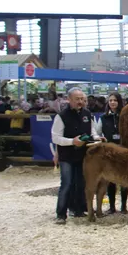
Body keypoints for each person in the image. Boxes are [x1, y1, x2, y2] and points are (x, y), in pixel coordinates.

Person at [51, 88, 102, 224]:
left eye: (82, 99)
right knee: (66, 183)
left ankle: (78, 209)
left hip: (83, 155)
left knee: (81, 183)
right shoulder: (61, 116)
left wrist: (98, 138)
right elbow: (56, 138)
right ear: (69, 100)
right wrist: (71, 141)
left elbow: (92, 131)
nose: (80, 102)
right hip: (66, 156)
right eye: (77, 99)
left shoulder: (87, 114)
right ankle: (61, 214)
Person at [96, 92, 128, 214]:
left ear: (119, 102)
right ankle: (112, 207)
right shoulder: (103, 118)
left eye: (115, 100)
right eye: (110, 100)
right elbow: (98, 132)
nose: (112, 102)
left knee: (125, 180)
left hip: (123, 151)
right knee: (110, 180)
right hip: (109, 152)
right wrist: (101, 139)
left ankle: (124, 207)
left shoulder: (124, 116)